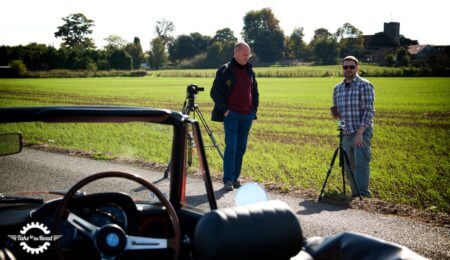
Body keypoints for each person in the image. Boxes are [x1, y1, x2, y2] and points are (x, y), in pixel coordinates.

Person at [210, 41, 259, 192]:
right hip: (232, 115)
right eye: (245, 54)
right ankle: (228, 180)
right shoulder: (225, 70)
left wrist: (253, 110)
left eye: (248, 54)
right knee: (231, 147)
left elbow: (255, 92)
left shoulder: (250, 71)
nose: (247, 57)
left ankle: (236, 178)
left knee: (241, 148)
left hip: (247, 116)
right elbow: (215, 93)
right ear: (236, 53)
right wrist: (225, 110)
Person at [331, 56, 375, 197]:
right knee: (348, 165)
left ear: (357, 68)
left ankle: (363, 195)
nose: (348, 69)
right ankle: (355, 195)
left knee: (361, 163)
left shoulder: (365, 85)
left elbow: (369, 111)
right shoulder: (337, 88)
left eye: (351, 67)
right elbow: (339, 115)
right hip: (346, 132)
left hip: (361, 132)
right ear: (342, 68)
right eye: (345, 67)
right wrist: (336, 117)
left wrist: (360, 133)